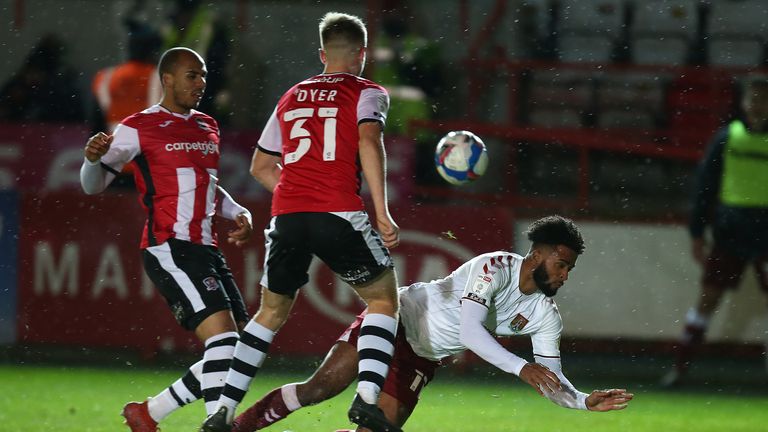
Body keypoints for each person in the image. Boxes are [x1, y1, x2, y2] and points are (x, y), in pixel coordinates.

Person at [227, 215, 634, 432]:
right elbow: (471, 331)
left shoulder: (545, 315)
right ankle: (236, 428)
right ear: (538, 254)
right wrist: (521, 367)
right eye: (561, 264)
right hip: (398, 319)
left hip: (422, 357)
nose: (565, 275)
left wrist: (580, 400)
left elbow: (551, 378)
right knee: (321, 388)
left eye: (570, 268)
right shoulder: (494, 267)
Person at [200, 12, 403, 432]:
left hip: (288, 214)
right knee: (383, 300)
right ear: (361, 53)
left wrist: (299, 194)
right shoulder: (368, 91)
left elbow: (260, 166)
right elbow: (369, 139)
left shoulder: (292, 95)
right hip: (338, 212)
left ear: (321, 53)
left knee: (269, 312)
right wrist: (381, 210)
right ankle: (366, 400)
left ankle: (221, 410)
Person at [79, 47, 253, 432]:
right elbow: (93, 187)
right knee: (224, 339)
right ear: (168, 79)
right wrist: (92, 161)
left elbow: (206, 185)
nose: (201, 83)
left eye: (204, 75)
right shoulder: (137, 126)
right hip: (169, 247)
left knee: (235, 348)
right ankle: (215, 421)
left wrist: (237, 210)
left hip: (206, 248)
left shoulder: (208, 125)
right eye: (192, 75)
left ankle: (149, 413)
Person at [661, 75, 768, 387]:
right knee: (708, 299)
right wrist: (697, 231)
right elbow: (705, 186)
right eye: (755, 99)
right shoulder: (726, 138)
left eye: (765, 99)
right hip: (731, 231)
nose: (759, 106)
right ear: (745, 103)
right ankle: (680, 369)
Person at [0, 33, 85, 122]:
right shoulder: (17, 87)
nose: (33, 77)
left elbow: (71, 117)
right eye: (31, 72)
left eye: (37, 73)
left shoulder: (59, 89)